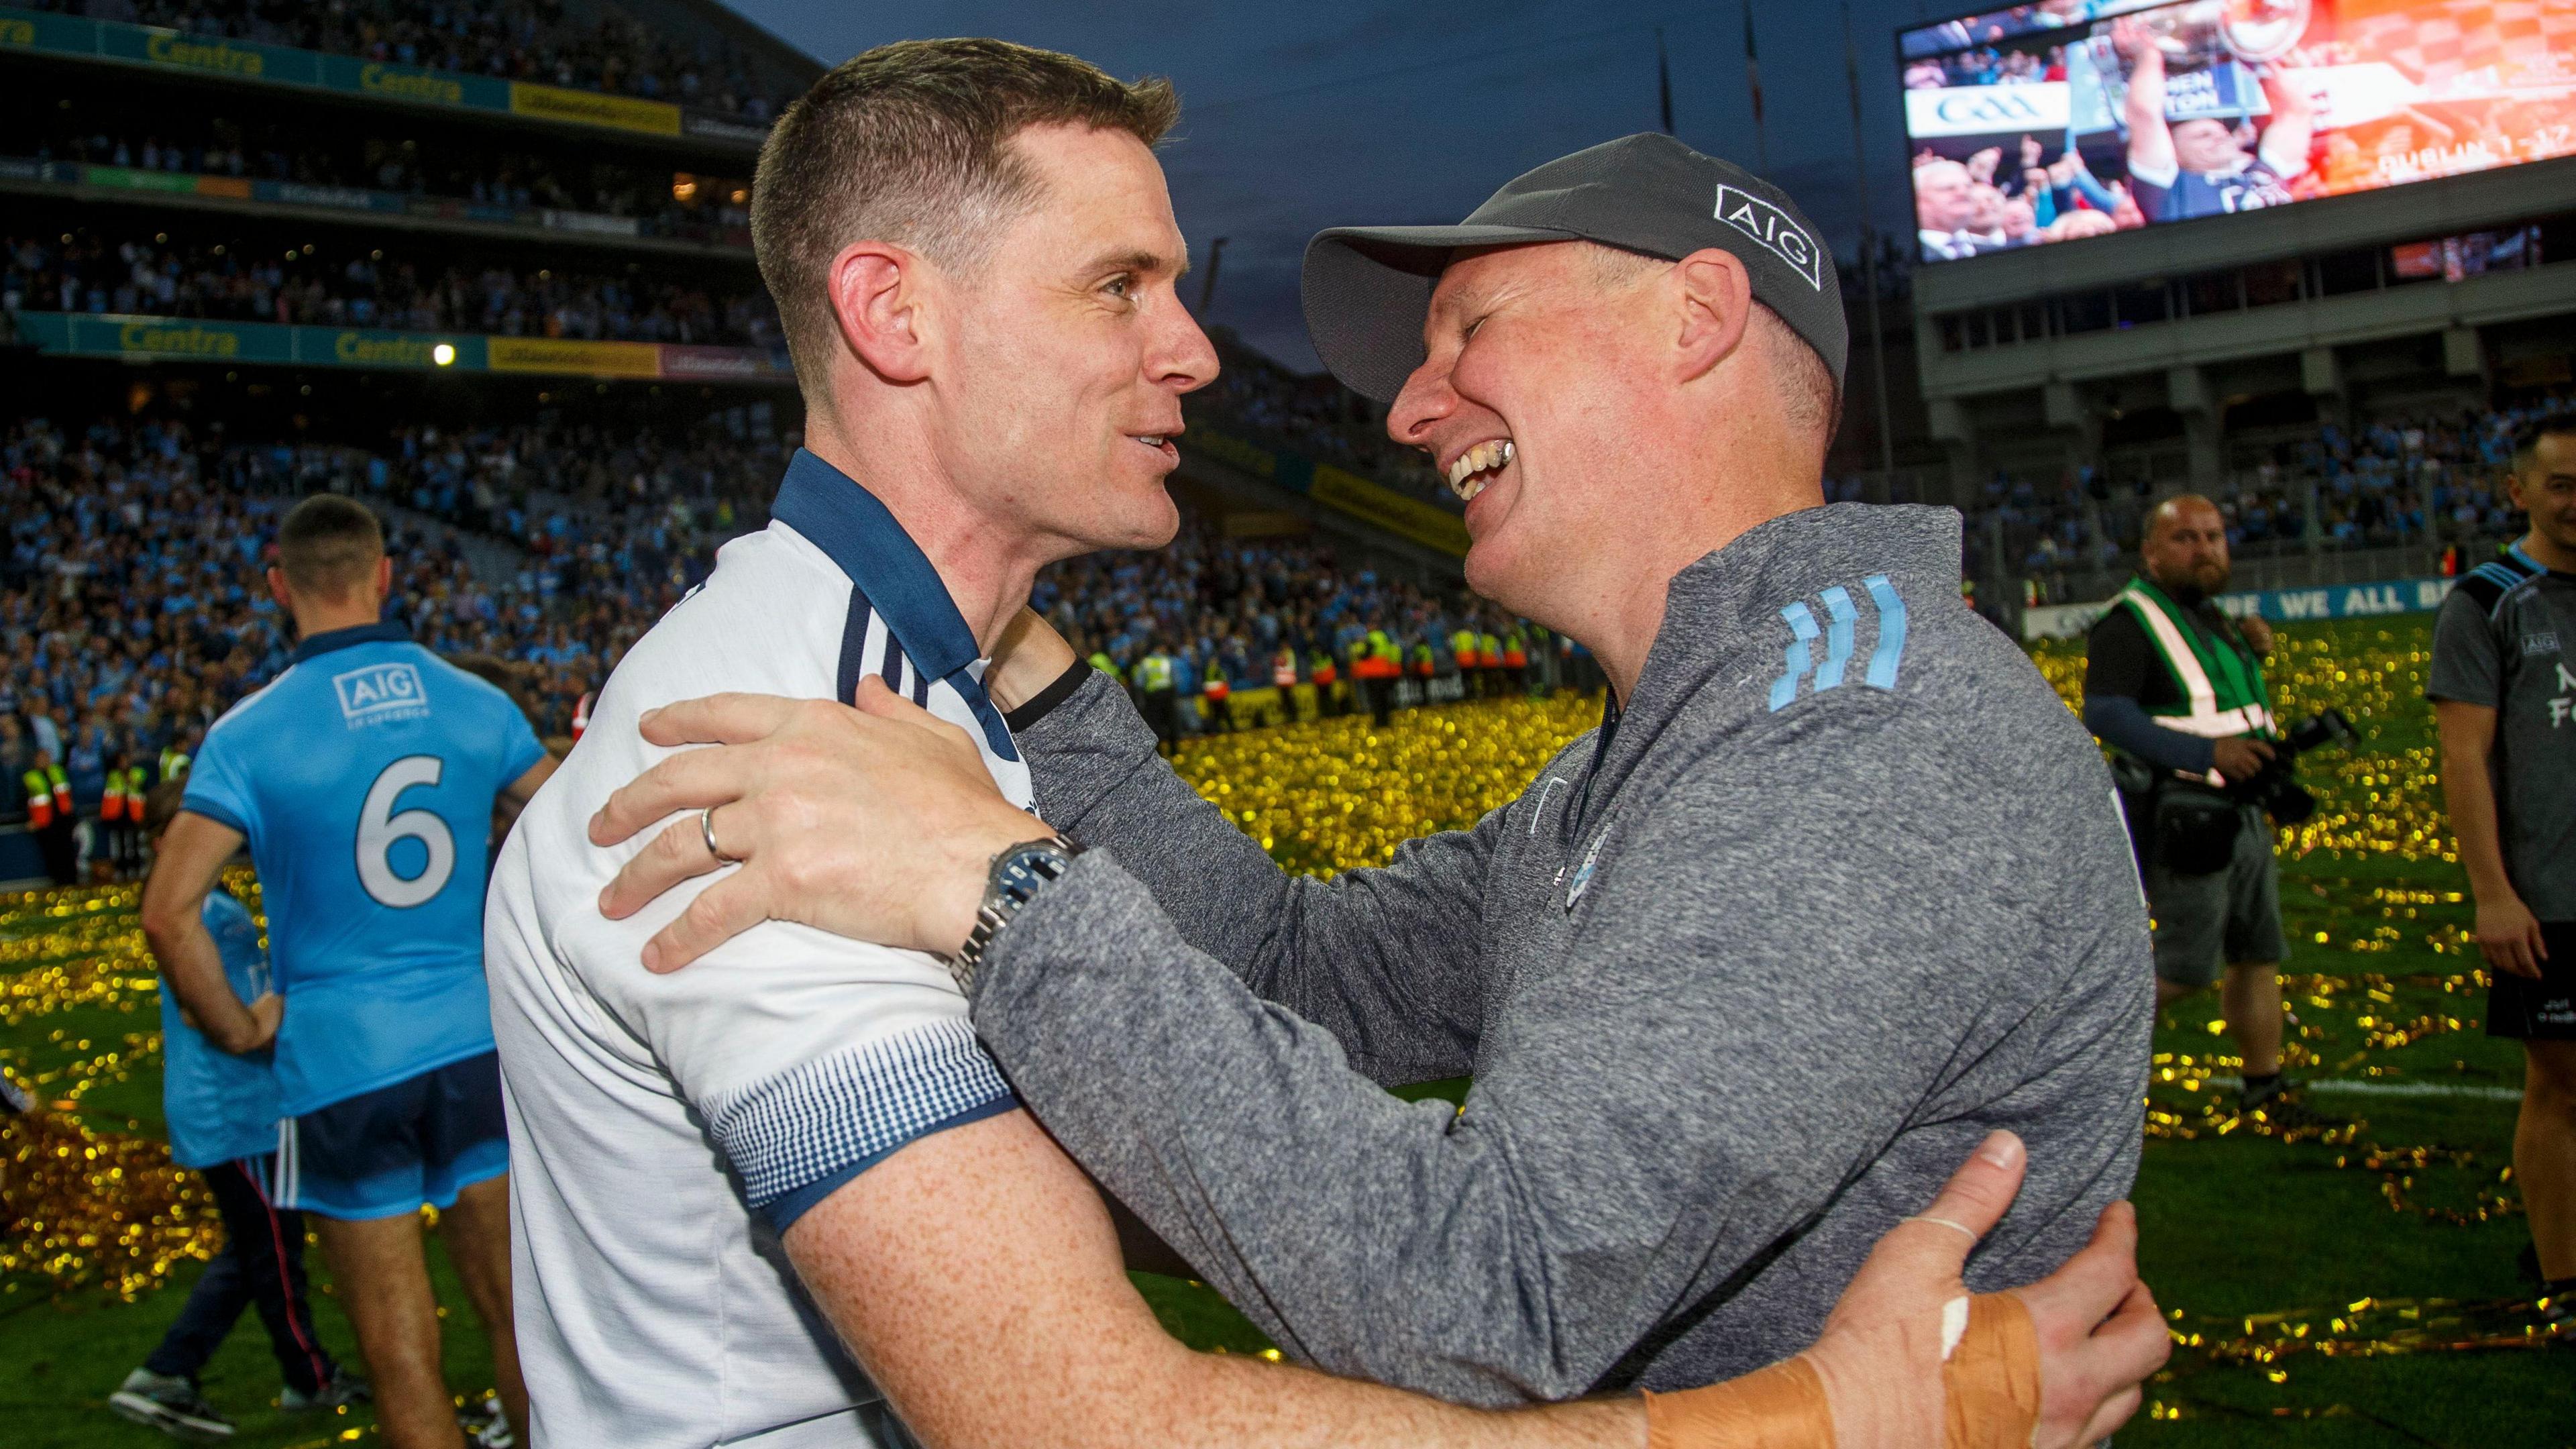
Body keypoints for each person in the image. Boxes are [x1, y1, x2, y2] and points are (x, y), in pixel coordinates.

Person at [491, 44, 2162, 1449]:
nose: (1410, 409)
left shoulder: (1855, 749)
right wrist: (1016, 684)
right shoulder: (1656, 754)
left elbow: (1483, 1290)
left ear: (1696, 317)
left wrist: (1002, 888)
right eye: (1117, 283)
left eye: (1465, 334)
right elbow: (1301, 973)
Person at [142, 494, 556, 1449]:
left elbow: (169, 913)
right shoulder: (473, 701)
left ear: (280, 587)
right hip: (474, 1041)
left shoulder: (249, 734)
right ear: (384, 577)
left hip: (340, 1060)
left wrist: (240, 1028)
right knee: (517, 1324)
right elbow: (570, 825)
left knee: (401, 1357)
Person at [112, 782, 366, 1442]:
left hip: (228, 1104)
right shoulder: (206, 915)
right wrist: (291, 997)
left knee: (259, 1248)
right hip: (235, 1106)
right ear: (168, 839)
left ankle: (288, 1373)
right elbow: (224, 1013)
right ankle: (185, 1373)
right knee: (272, 1251)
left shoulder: (199, 906)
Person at [2080, 495, 2327, 1127]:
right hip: (2185, 814)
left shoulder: (2208, 616)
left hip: (2241, 808)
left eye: (2214, 536)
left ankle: (2263, 1085)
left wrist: (2253, 655)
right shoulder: (2128, 621)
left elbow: (2202, 694)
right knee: (2184, 970)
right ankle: (2070, 1060)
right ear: (2151, 552)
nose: (2205, 549)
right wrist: (2205, 751)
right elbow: (2106, 712)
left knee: (2257, 955)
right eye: (2186, 538)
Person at [2428, 413, 2576, 1327]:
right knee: (2562, 1085)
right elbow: (2462, 759)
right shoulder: (2486, 600)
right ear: (2519, 491)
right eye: (2561, 483)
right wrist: (2492, 892)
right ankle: (2566, 1284)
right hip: (2548, 896)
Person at [2110, 15, 2311, 223]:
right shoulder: (2168, 192)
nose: (2221, 138)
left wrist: (2257, 50)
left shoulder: (2262, 172)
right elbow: (2145, 114)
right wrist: (2147, 55)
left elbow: (2297, 113)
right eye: (2204, 136)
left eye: (2222, 132)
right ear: (2175, 154)